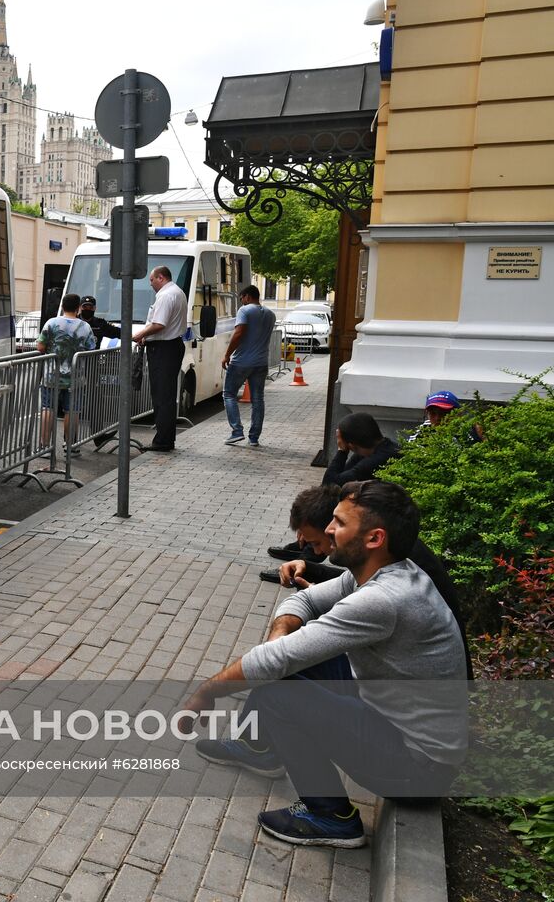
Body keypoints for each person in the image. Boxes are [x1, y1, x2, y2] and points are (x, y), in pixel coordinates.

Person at [183, 480, 468, 848]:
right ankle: (260, 748)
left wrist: (206, 691)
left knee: (277, 690)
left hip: (419, 770)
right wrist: (278, 641)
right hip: (397, 727)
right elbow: (303, 604)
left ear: (374, 538)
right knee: (288, 665)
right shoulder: (378, 572)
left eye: (339, 523)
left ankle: (330, 815)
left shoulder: (383, 598)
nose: (328, 531)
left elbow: (276, 661)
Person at [260, 485, 473, 680]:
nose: (321, 544)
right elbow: (330, 590)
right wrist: (311, 569)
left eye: (339, 523)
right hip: (400, 680)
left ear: (373, 538)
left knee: (279, 679)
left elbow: (370, 601)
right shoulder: (390, 556)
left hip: (408, 704)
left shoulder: (390, 591)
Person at [132, 265, 188, 452]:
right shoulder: (177, 292)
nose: (150, 283)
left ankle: (163, 441)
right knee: (167, 396)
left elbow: (159, 324)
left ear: (161, 277)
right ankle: (165, 439)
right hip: (170, 346)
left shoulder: (165, 295)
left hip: (164, 349)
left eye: (152, 279)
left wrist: (139, 335)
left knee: (162, 396)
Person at [36, 293, 96, 450]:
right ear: (78, 308)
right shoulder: (85, 326)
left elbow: (41, 347)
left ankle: (44, 446)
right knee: (73, 411)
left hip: (51, 376)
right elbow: (91, 348)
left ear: (62, 306)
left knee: (47, 409)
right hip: (75, 378)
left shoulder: (52, 323)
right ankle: (70, 445)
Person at [221, 285, 276, 446]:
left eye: (241, 299)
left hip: (241, 362)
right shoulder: (270, 315)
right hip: (261, 362)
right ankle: (254, 438)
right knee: (258, 399)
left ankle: (237, 431)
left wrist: (226, 355)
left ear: (246, 296)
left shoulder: (244, 311)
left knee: (229, 394)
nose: (241, 302)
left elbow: (239, 333)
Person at [322, 412, 400, 486]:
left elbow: (329, 486)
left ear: (351, 446)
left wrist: (342, 451)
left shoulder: (374, 461)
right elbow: (342, 474)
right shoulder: (381, 447)